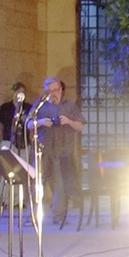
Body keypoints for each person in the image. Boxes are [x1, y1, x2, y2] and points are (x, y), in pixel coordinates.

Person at [31, 77, 85, 228]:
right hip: (42, 150)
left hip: (62, 152)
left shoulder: (69, 106)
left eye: (54, 90)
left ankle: (59, 216)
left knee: (59, 185)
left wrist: (68, 121)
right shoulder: (40, 105)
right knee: (37, 184)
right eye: (48, 91)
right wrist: (40, 122)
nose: (52, 94)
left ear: (61, 90)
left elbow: (80, 126)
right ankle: (34, 217)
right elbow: (28, 123)